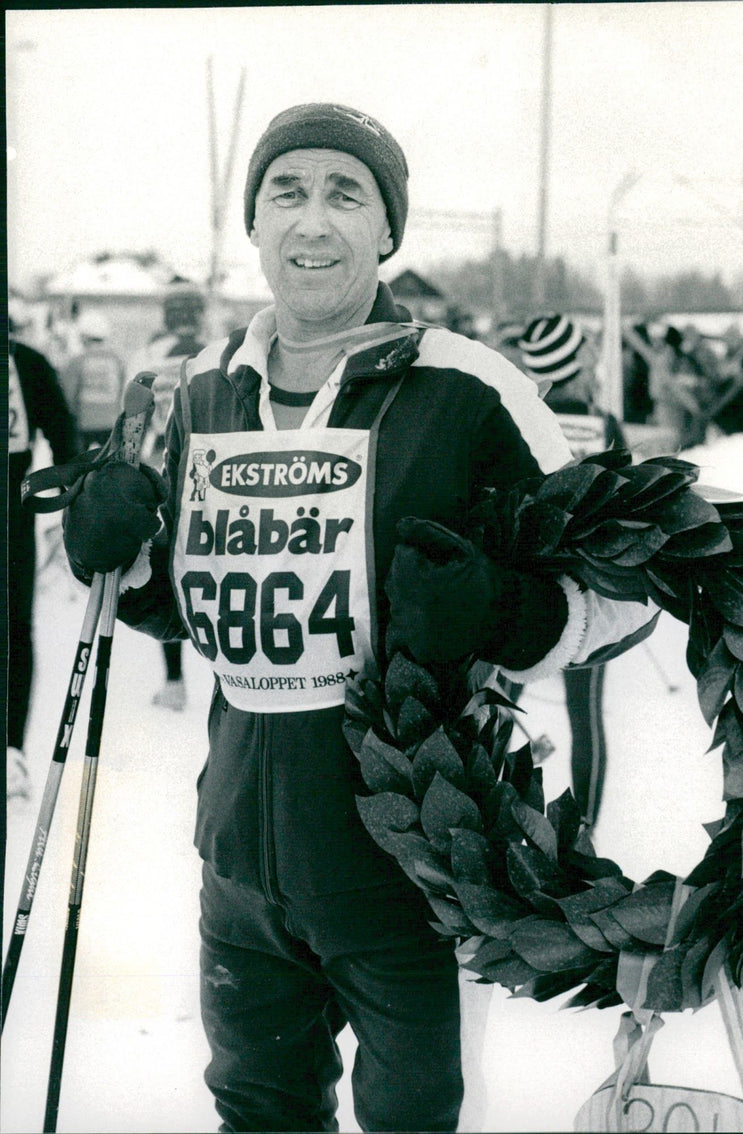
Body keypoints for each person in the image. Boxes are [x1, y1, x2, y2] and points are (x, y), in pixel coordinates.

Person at [62, 102, 659, 1133]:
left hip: (405, 870)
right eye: (285, 192)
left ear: (388, 230)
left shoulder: (468, 390)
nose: (311, 219)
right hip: (240, 865)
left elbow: (620, 597)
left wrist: (502, 611)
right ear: (253, 224)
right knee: (255, 1114)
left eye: (346, 193)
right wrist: (127, 565)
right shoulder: (209, 390)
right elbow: (203, 607)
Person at [517, 314, 628, 829]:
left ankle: (496, 816)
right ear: (578, 361)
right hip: (588, 593)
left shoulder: (519, 415)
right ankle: (585, 835)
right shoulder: (602, 424)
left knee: (498, 707)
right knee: (585, 719)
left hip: (520, 589)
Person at [127, 281, 208, 710]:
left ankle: (175, 682)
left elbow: (137, 423)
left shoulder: (152, 354)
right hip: (214, 475)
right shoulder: (220, 350)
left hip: (165, 474)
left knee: (171, 575)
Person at [7, 324, 80, 802]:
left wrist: (70, 501)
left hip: (10, 514)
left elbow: (63, 435)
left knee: (14, 629)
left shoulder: (26, 362)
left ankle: (10, 752)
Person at [59, 310, 126, 450]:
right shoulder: (116, 360)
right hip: (110, 423)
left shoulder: (77, 361)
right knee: (109, 465)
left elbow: (68, 394)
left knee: (79, 465)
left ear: (83, 336)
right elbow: (121, 391)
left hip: (83, 424)